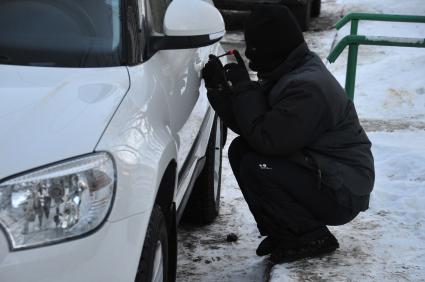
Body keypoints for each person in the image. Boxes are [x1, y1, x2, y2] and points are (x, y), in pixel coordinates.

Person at [202, 5, 375, 263]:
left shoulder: (307, 88)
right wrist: (221, 91)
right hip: (324, 171)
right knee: (242, 151)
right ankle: (286, 230)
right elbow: (255, 129)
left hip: (343, 191)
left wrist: (243, 88)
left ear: (272, 48)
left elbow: (267, 140)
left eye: (255, 49)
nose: (250, 56)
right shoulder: (289, 70)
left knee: (257, 164)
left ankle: (309, 236)